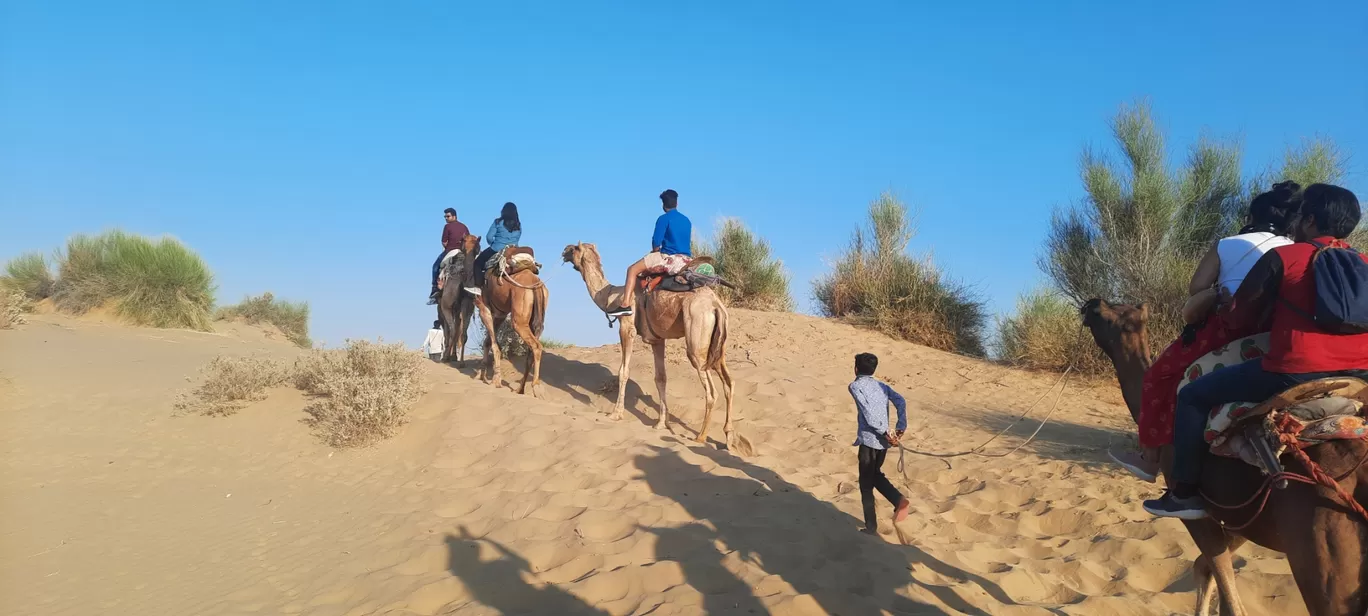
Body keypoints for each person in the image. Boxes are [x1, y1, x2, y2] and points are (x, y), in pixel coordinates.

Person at [1146, 184, 1368, 519]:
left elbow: (1238, 319)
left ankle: (1184, 492)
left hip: (1295, 370)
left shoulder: (1284, 257)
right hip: (1360, 372)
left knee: (1192, 396)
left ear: (1308, 219)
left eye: (1300, 216)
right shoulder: (1363, 263)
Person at [1110, 182, 1301, 481]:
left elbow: (1197, 288)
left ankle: (1150, 458)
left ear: (1253, 215)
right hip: (1280, 335)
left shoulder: (1228, 244)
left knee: (1159, 377)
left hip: (1226, 330)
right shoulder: (1298, 251)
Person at [848, 352, 912, 534]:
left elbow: (868, 414)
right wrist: (900, 428)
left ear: (856, 368)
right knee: (875, 475)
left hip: (870, 442)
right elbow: (900, 401)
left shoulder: (855, 386)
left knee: (866, 484)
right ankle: (898, 500)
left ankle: (872, 526)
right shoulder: (881, 386)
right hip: (883, 444)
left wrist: (886, 432)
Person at [606, 189, 692, 317]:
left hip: (669, 257)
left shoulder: (663, 219)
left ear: (663, 205)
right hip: (687, 259)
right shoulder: (687, 220)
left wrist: (654, 251)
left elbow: (656, 242)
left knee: (632, 270)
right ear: (677, 203)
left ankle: (625, 305)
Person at [465, 202, 522, 296]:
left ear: (504, 211)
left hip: (497, 249)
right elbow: (517, 238)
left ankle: (478, 287)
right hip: (513, 250)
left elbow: (489, 237)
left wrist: (494, 244)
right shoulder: (518, 225)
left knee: (477, 263)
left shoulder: (498, 222)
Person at [429, 208, 470, 305]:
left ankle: (435, 288)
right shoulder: (464, 227)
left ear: (454, 216)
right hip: (463, 252)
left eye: (448, 216)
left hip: (450, 250)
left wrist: (448, 247)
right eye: (445, 217)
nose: (446, 218)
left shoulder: (447, 226)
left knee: (435, 266)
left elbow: (444, 242)